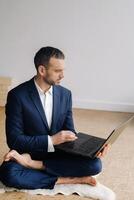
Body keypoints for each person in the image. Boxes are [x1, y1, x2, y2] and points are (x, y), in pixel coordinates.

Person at [0, 46, 109, 189]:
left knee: (95, 164)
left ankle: (34, 166)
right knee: (9, 173)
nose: (62, 75)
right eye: (57, 71)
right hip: (29, 152)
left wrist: (91, 149)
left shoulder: (65, 94)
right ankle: (68, 180)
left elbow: (69, 132)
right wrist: (51, 140)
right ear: (42, 70)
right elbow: (14, 141)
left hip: (56, 154)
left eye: (63, 70)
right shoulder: (17, 95)